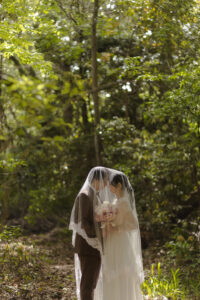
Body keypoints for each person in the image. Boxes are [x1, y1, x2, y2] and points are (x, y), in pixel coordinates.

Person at [101, 170, 144, 300]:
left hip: (120, 240)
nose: (109, 187)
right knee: (112, 270)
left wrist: (117, 228)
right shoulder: (115, 201)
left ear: (119, 185)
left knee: (122, 271)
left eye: (111, 185)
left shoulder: (124, 202)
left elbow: (134, 225)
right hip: (111, 240)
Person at [69, 166, 108, 300]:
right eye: (105, 181)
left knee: (92, 284)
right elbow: (82, 223)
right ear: (97, 179)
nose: (106, 184)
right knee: (87, 284)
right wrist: (100, 233)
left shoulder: (94, 194)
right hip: (87, 246)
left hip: (94, 246)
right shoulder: (85, 195)